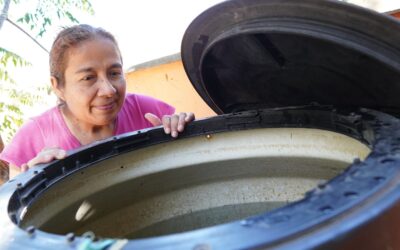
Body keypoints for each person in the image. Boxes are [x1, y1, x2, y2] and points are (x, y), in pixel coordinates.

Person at [0, 24, 194, 179]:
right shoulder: (34, 136)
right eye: (88, 78)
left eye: (114, 73)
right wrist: (30, 180)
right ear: (58, 86)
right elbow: (12, 212)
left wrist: (181, 138)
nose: (109, 90)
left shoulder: (145, 112)